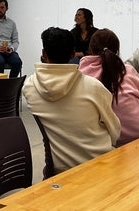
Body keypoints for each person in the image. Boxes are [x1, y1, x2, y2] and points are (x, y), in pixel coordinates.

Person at [23, 27, 120, 172]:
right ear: (73, 54)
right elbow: (115, 131)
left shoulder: (29, 87)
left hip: (60, 171)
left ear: (43, 53)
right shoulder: (93, 87)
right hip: (102, 167)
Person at [79, 29, 139, 145]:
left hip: (111, 143)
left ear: (90, 49)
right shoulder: (127, 70)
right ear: (117, 50)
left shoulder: (83, 74)